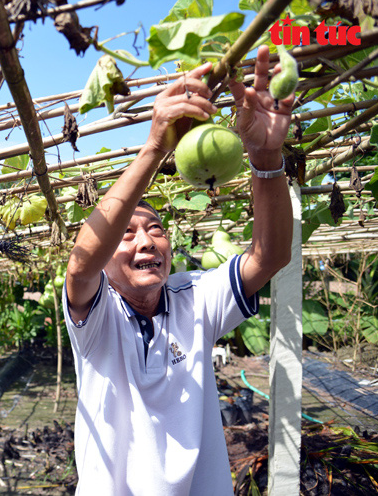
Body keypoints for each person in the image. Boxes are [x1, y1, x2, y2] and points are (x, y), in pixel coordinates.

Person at [62, 45, 294, 495]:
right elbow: (79, 266)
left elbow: (270, 256)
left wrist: (266, 160)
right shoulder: (95, 319)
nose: (146, 240)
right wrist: (154, 146)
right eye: (126, 234)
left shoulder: (196, 297)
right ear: (109, 254)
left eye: (156, 229)